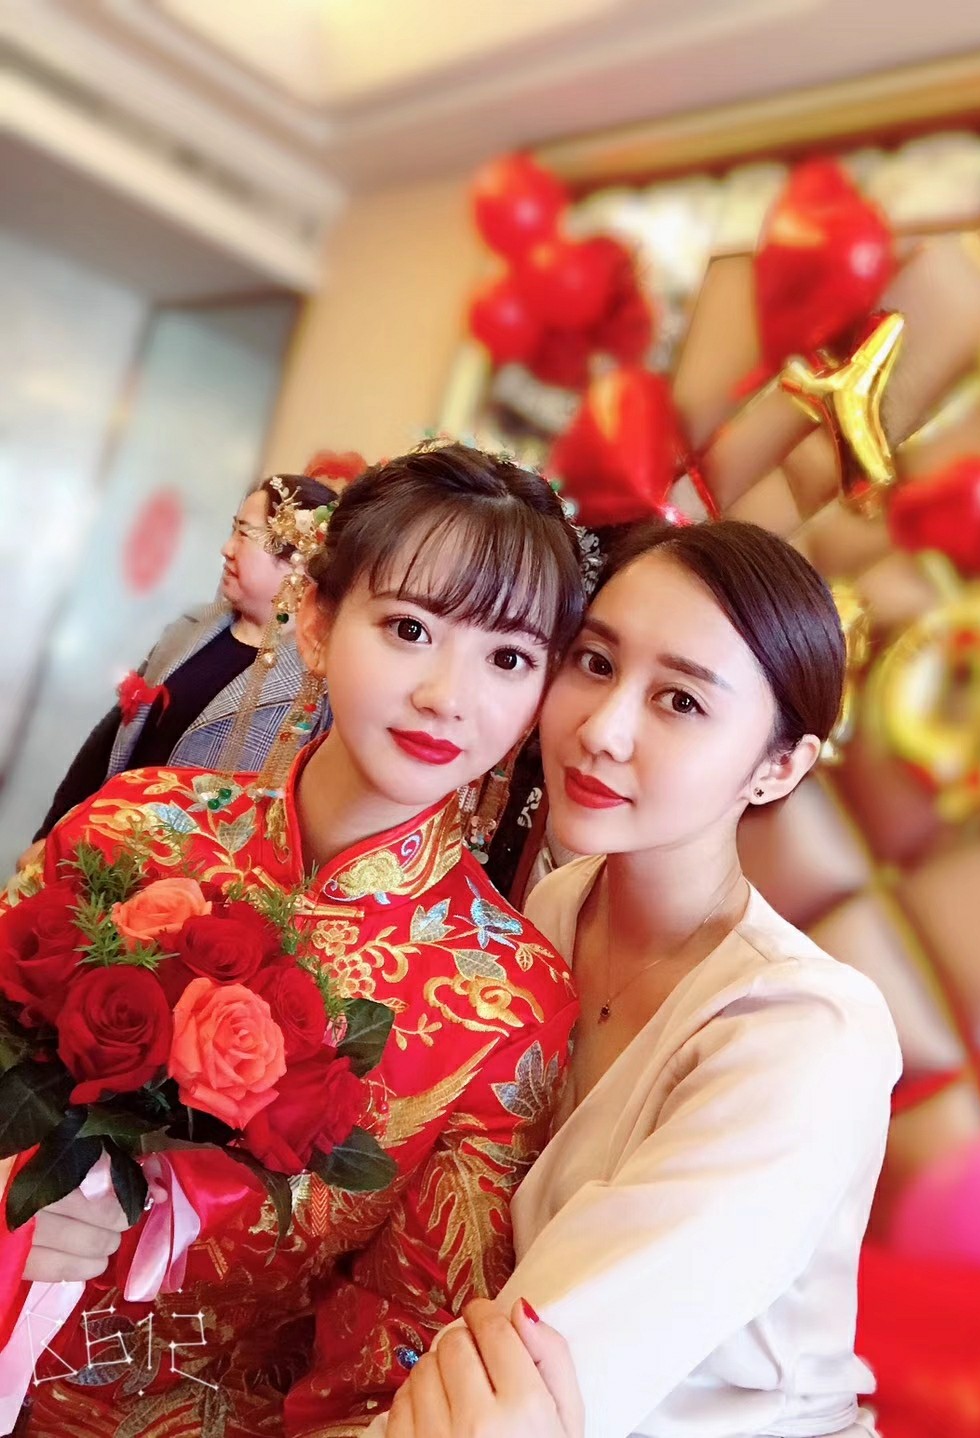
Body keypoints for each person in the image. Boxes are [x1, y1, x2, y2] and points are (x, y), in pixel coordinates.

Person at [5, 442, 585, 1436]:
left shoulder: (508, 1004)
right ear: (315, 622)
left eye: (508, 658)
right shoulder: (133, 826)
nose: (449, 694)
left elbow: (395, 1356)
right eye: (409, 628)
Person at [382, 519, 902, 1438]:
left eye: (681, 701)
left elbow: (540, 1379)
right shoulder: (554, 909)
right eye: (594, 663)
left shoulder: (807, 1033)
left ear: (779, 767)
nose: (602, 730)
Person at [18, 473, 338, 868]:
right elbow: (109, 740)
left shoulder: (317, 684)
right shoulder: (191, 628)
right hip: (94, 847)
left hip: (187, 879)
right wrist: (51, 833)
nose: (227, 548)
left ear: (297, 558)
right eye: (232, 530)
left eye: (244, 534)